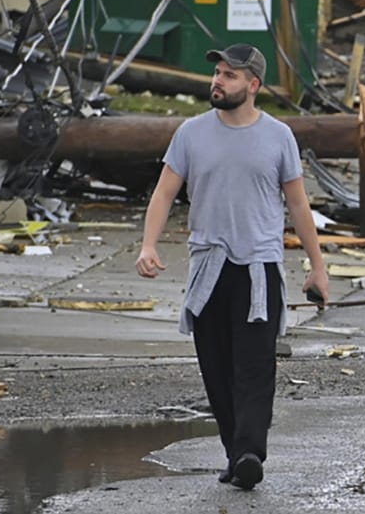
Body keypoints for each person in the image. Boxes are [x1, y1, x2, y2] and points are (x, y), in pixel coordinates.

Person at [136, 43, 329, 491]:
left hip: (258, 269)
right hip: (209, 268)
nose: (218, 81)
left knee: (255, 368)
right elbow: (164, 193)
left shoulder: (279, 136)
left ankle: (248, 453)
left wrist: (317, 268)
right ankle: (234, 453)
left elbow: (299, 205)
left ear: (253, 85)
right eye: (218, 73)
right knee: (217, 369)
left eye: (229, 75)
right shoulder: (190, 133)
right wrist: (148, 245)